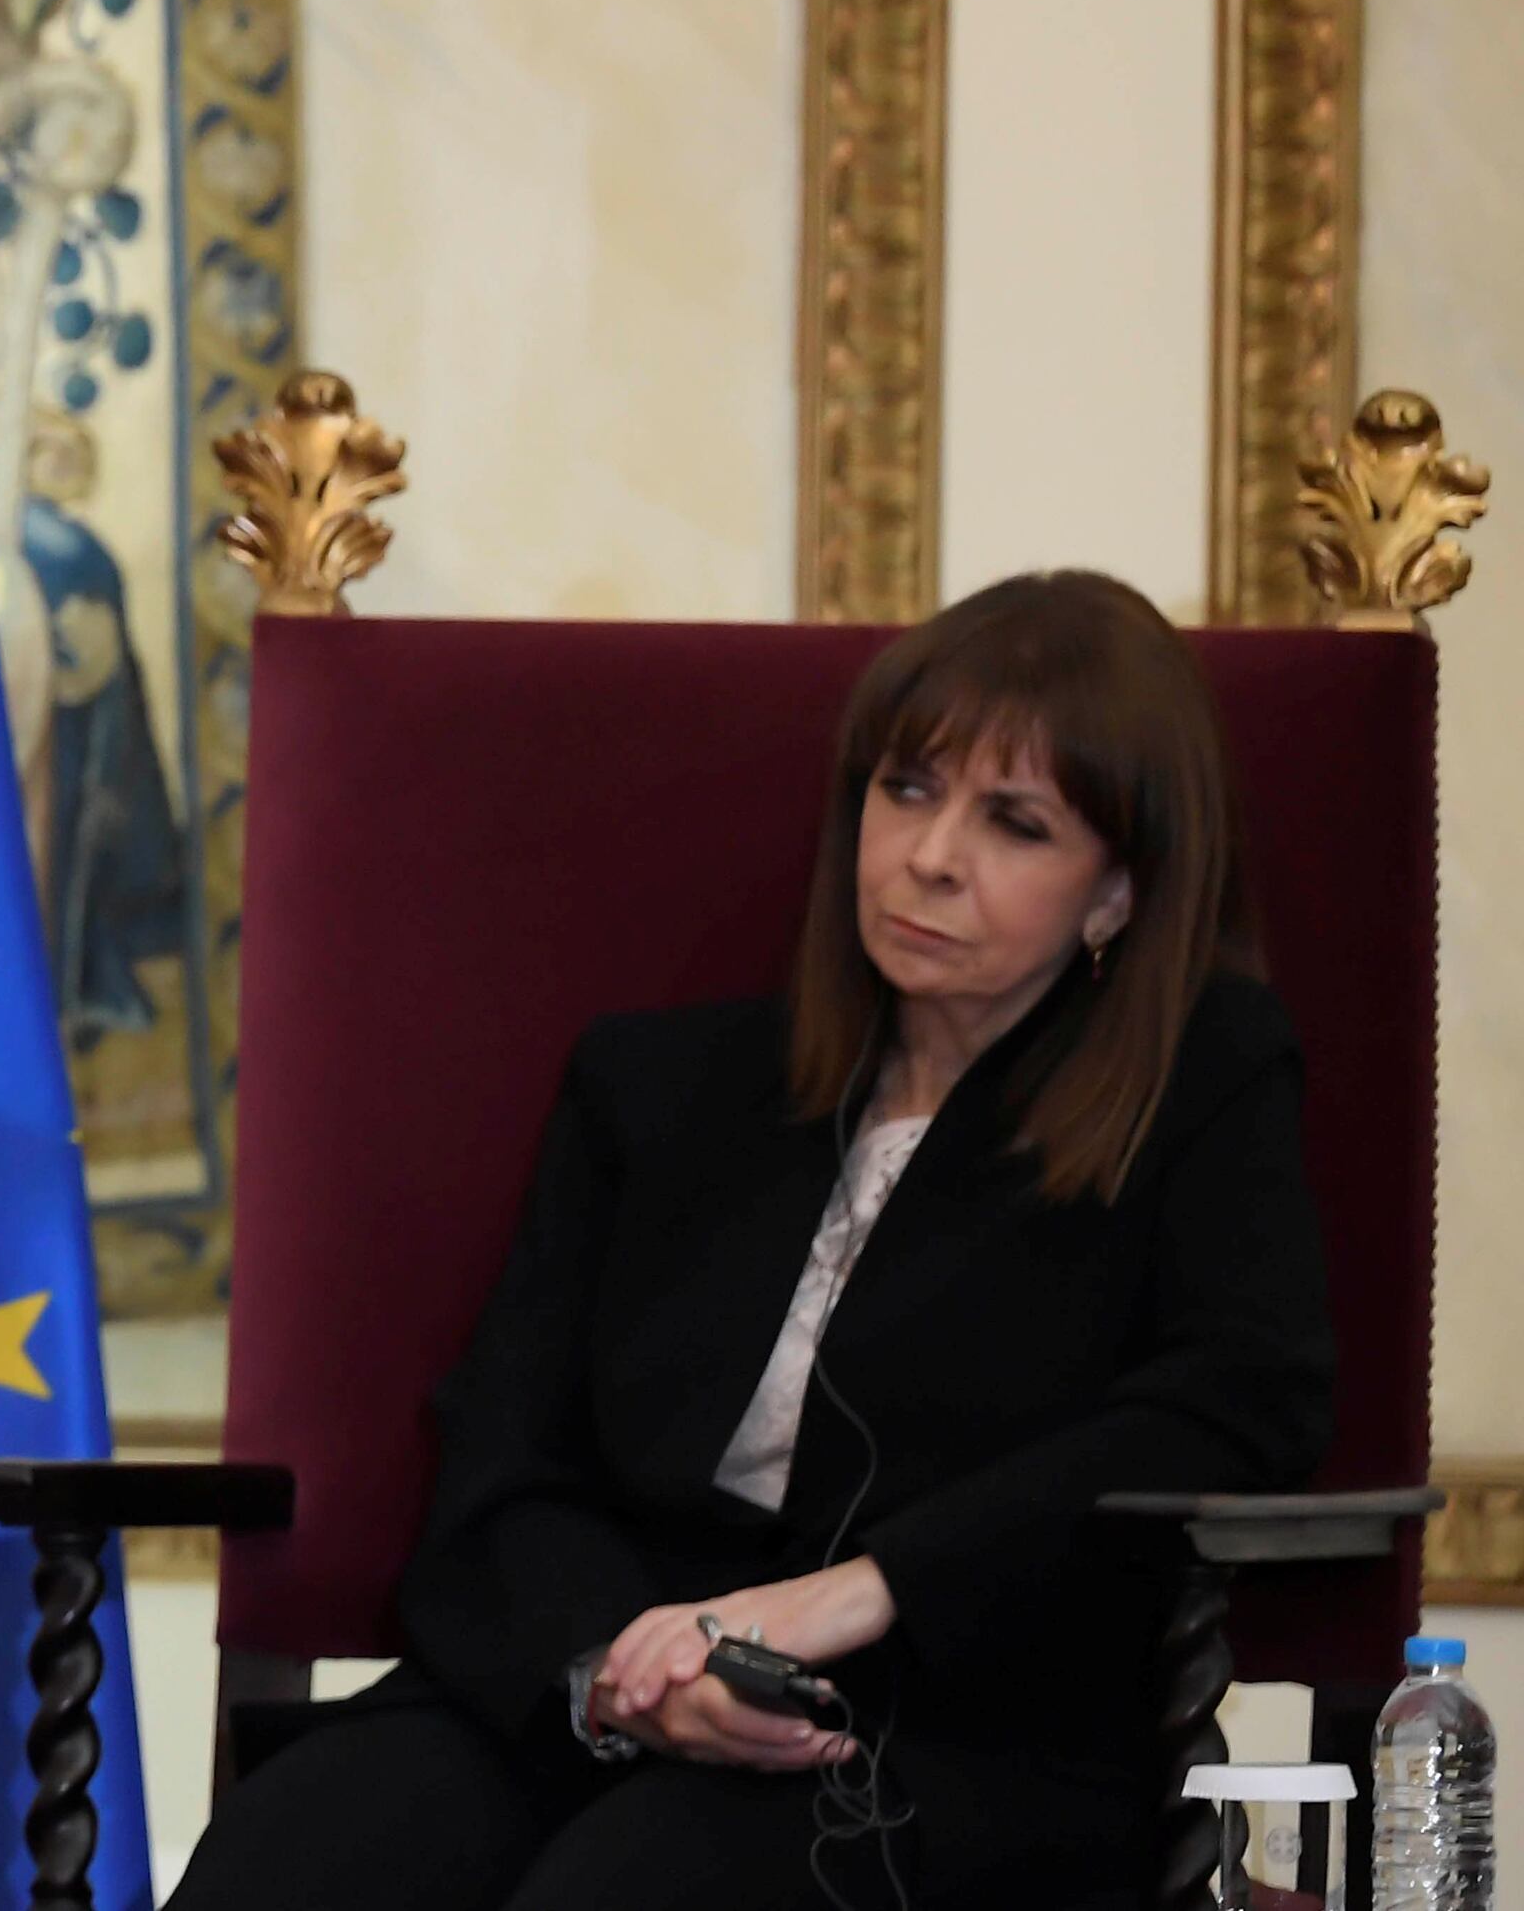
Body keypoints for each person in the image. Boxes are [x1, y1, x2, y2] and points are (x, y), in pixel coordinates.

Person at [169, 570, 1333, 1911]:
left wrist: (858, 1590)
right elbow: (504, 1451)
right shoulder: (656, 1090)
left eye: (1014, 822)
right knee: (292, 1858)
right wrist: (619, 1671)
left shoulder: (1199, 1083)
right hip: (590, 1688)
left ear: (1117, 890)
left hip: (949, 1729)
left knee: (626, 1892)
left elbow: (1247, 1394)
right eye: (908, 789)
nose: (932, 855)